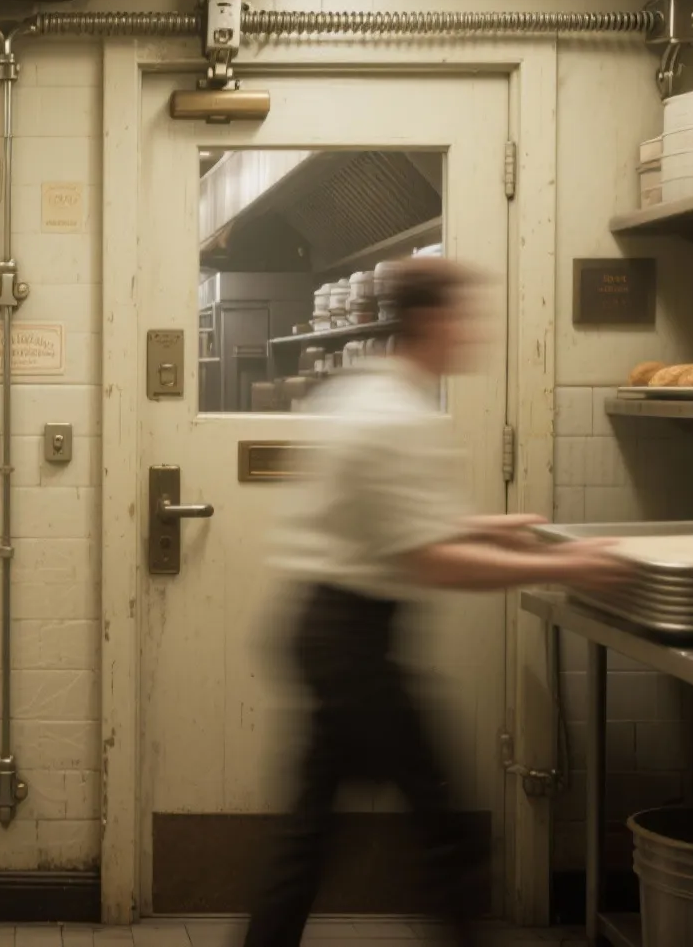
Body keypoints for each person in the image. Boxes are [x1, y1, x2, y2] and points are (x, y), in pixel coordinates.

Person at [243, 257, 629, 947]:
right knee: (442, 827)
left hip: (324, 626)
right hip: (352, 641)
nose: (473, 332)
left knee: (310, 832)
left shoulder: (362, 392)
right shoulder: (397, 414)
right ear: (432, 321)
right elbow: (427, 560)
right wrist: (568, 564)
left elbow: (387, 522)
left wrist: (495, 530)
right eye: (465, 316)